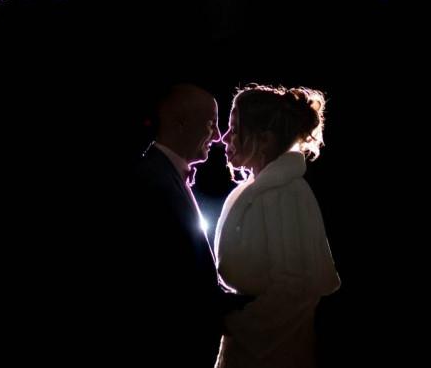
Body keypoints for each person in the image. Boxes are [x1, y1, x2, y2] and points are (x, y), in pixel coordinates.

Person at [119, 82, 249, 367]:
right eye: (211, 124)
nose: (217, 136)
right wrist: (254, 306)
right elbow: (169, 283)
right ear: (180, 123)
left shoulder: (161, 176)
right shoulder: (149, 183)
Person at [214, 84, 340, 368]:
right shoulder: (260, 191)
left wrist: (235, 323)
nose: (224, 138)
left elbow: (295, 289)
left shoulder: (287, 195)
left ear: (265, 140)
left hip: (275, 354)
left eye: (235, 129)